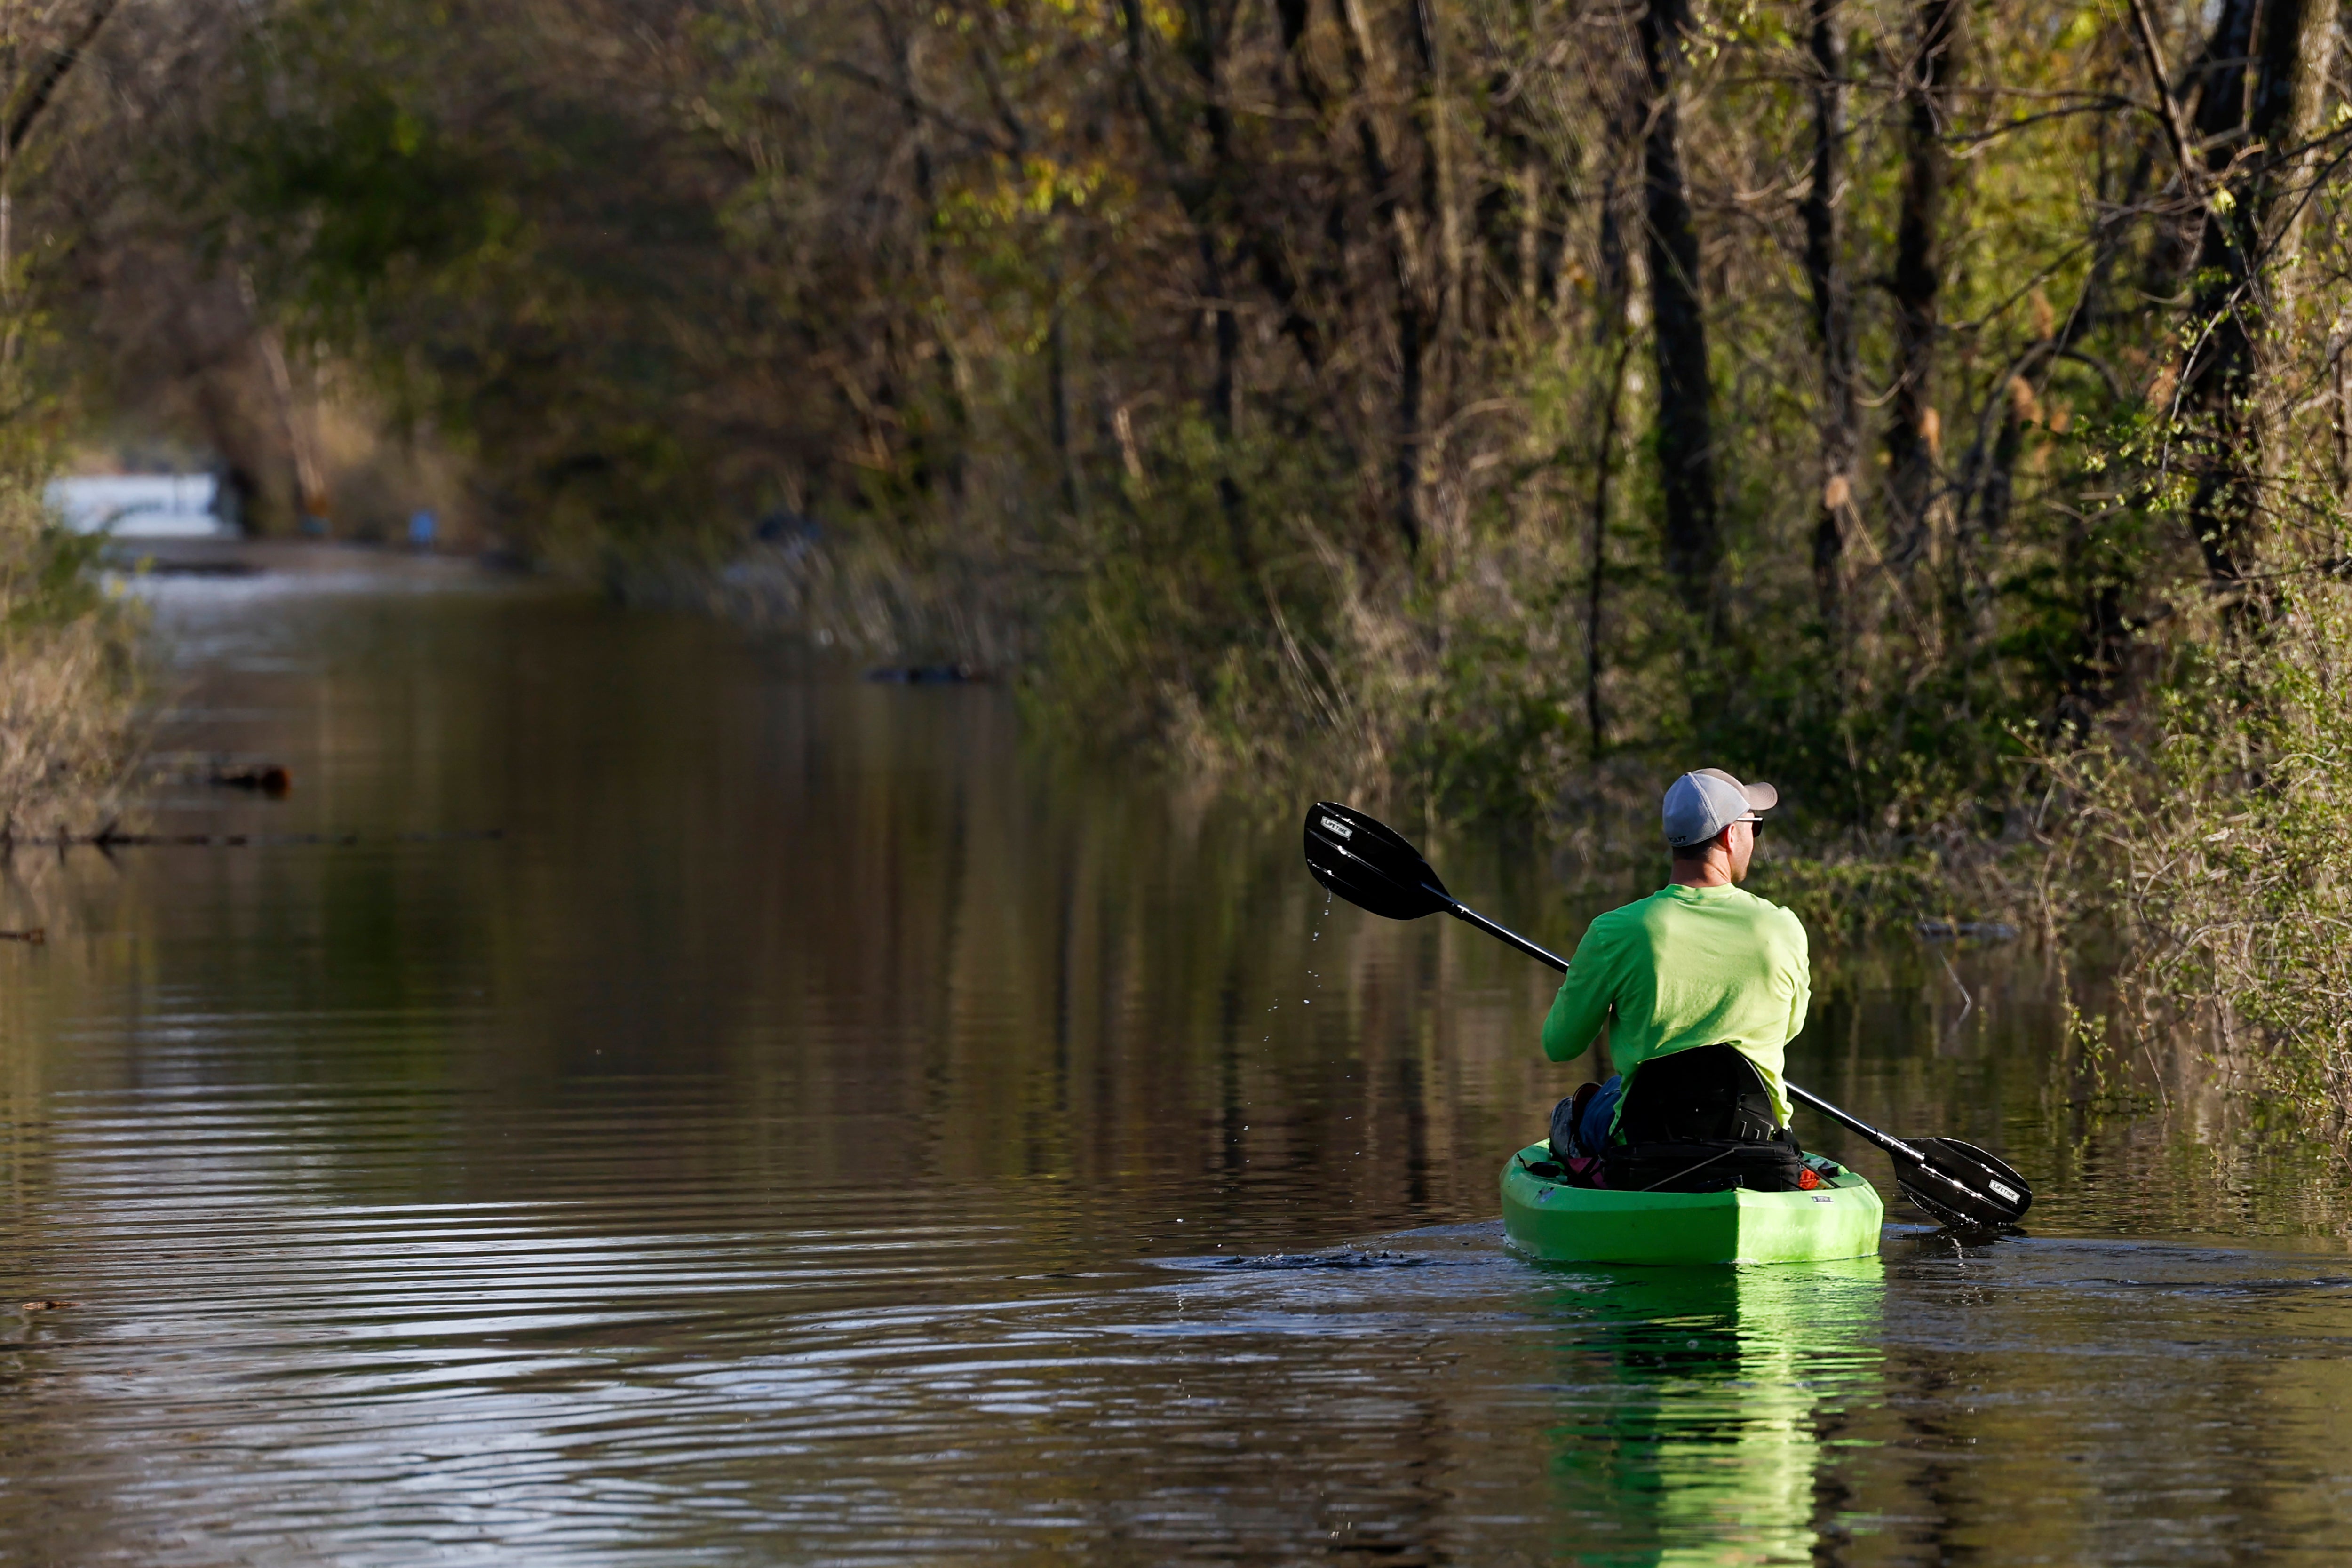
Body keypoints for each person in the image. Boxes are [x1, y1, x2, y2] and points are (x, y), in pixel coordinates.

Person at [1544, 767, 1811, 1168]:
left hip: (1645, 1141)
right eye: (1755, 827)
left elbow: (1560, 1044)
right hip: (1756, 1137)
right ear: (1729, 835)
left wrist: (1613, 1006)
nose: (1754, 839)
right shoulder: (1784, 927)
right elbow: (1790, 1028)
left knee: (1579, 1108)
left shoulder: (1613, 933)